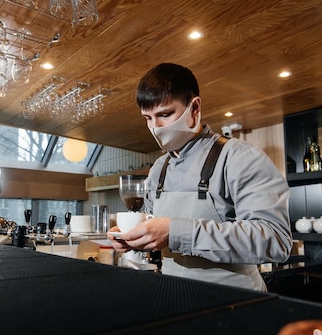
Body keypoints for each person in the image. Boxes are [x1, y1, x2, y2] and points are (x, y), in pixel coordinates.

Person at [107, 63, 292, 291]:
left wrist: (176, 232)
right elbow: (158, 234)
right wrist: (136, 240)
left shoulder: (239, 157)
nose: (155, 128)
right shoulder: (158, 168)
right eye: (148, 118)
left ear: (194, 108)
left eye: (165, 115)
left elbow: (275, 241)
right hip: (174, 297)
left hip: (235, 301)